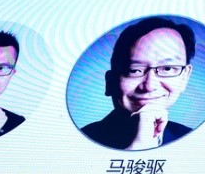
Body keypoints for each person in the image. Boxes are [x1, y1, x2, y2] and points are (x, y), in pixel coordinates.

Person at [82, 17, 196, 150]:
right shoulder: (75, 142)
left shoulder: (196, 143)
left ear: (185, 77)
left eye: (167, 69)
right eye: (134, 70)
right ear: (110, 81)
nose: (149, 86)